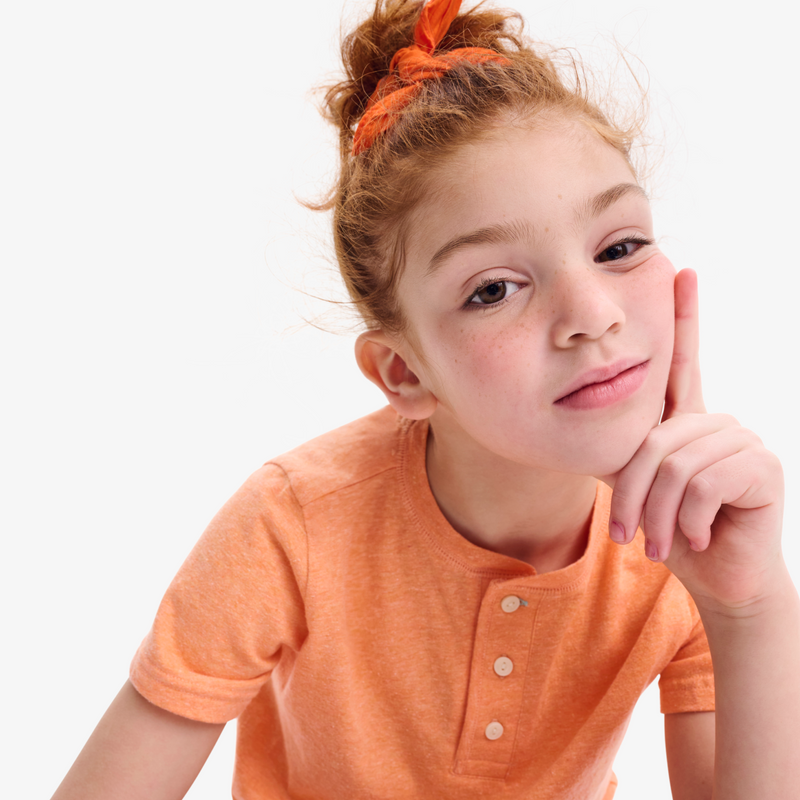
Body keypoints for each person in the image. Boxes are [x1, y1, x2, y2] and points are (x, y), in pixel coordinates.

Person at [50, 0, 799, 798]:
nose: (593, 315)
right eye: (493, 289)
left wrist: (749, 608)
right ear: (404, 373)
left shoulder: (681, 534)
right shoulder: (293, 524)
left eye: (619, 247)